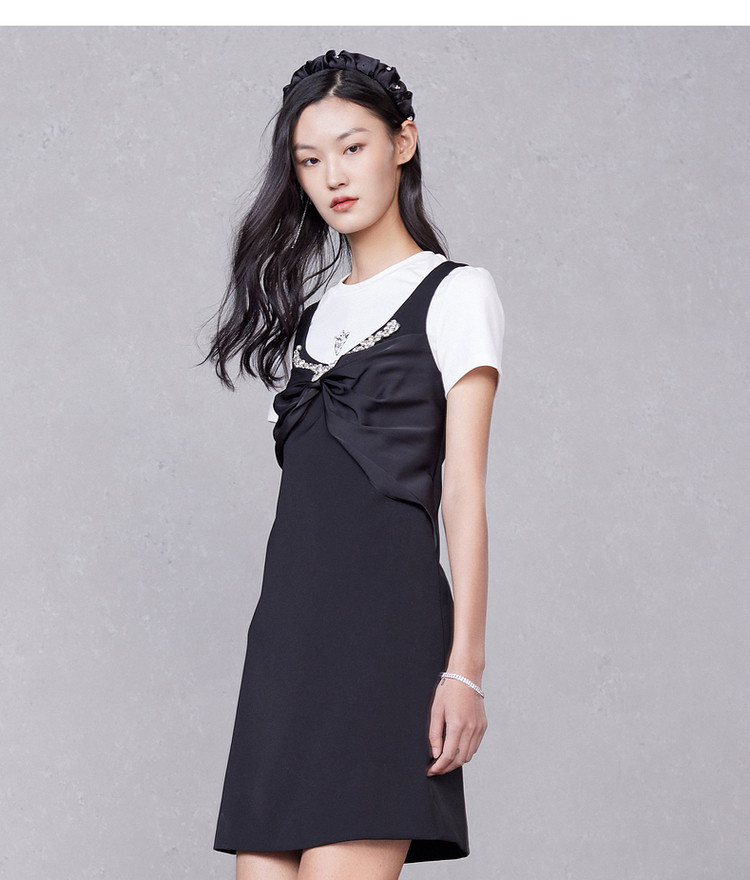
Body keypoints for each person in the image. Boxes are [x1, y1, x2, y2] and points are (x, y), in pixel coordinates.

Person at [202, 49, 505, 880]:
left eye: (352, 147)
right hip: (286, 648)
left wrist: (466, 669)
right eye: (309, 160)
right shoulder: (311, 320)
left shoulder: (455, 293)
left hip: (387, 642)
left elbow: (463, 493)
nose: (332, 176)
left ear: (403, 142)